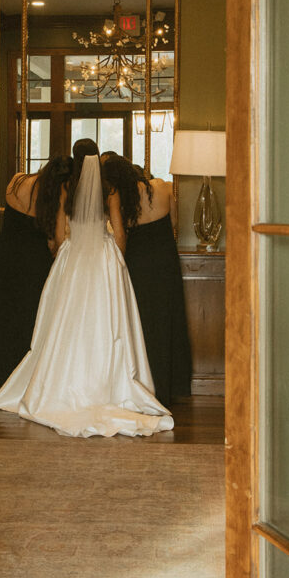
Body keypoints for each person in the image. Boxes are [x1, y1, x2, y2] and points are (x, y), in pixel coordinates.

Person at [0, 139, 173, 437]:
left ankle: (62, 382)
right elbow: (120, 233)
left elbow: (60, 234)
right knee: (104, 320)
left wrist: (63, 257)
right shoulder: (109, 189)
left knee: (67, 322)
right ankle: (106, 383)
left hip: (72, 257)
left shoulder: (65, 190)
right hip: (103, 256)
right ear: (97, 158)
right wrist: (117, 259)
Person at [102, 153, 192, 406]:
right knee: (168, 318)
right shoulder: (163, 186)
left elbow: (120, 235)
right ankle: (171, 384)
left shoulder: (121, 197)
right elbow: (174, 222)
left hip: (138, 263)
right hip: (165, 261)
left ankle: (144, 383)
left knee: (141, 322)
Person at [0, 154, 72, 390]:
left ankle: (1, 376)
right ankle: (27, 379)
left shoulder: (16, 180)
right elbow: (60, 238)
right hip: (34, 260)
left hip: (6, 254)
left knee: (5, 314)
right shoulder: (55, 193)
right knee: (31, 316)